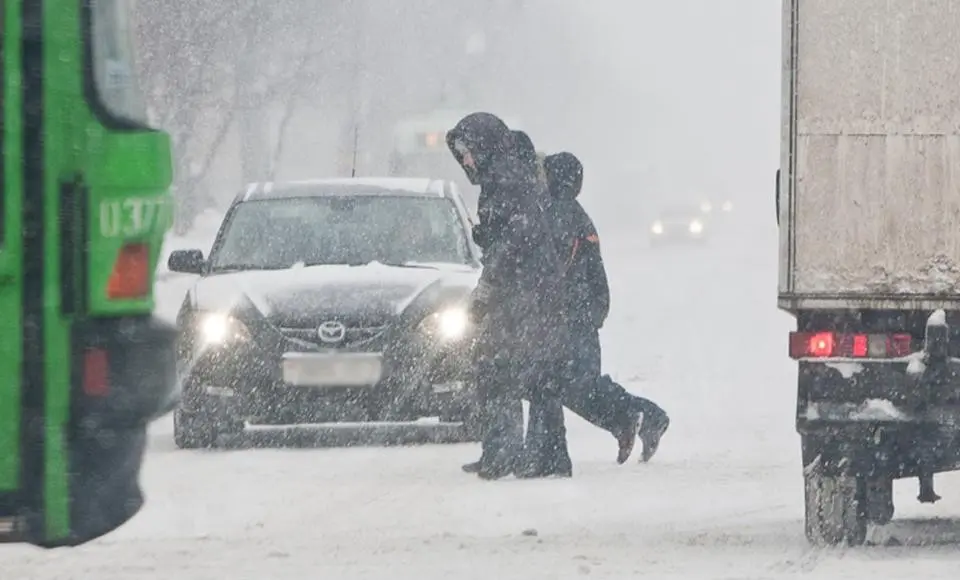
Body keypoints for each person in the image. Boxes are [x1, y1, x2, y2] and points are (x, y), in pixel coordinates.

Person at [461, 152, 670, 473]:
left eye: (544, 174)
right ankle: (628, 421)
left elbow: (551, 266)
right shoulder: (569, 211)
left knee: (568, 384)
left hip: (568, 314)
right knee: (560, 384)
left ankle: (637, 417)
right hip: (574, 312)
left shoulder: (559, 213)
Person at [446, 114, 572, 480]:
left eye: (468, 151)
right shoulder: (503, 179)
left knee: (505, 369)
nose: (466, 160)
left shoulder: (507, 181)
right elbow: (512, 235)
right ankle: (529, 453)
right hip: (526, 291)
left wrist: (486, 289)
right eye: (462, 154)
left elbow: (516, 241)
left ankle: (520, 453)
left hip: (526, 293)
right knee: (520, 371)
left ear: (485, 148)